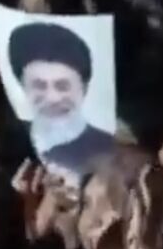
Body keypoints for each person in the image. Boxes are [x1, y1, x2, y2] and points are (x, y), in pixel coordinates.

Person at [8, 22, 114, 174]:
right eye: (39, 86)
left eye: (62, 86)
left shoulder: (108, 146)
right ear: (23, 87)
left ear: (84, 89)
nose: (52, 98)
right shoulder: (11, 139)